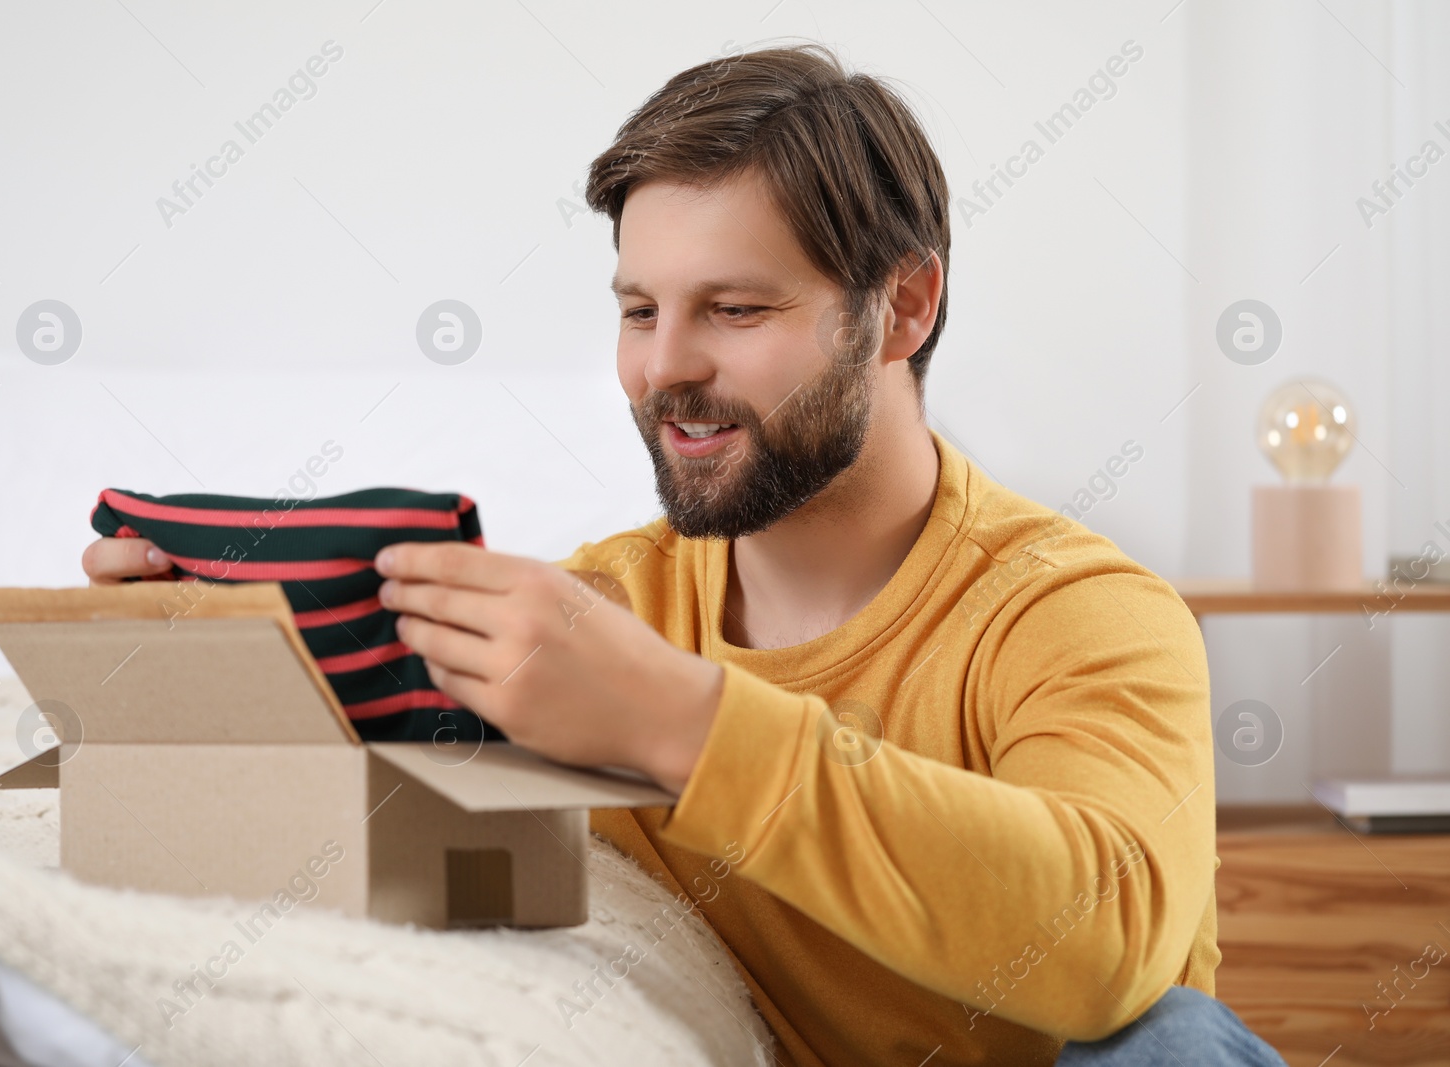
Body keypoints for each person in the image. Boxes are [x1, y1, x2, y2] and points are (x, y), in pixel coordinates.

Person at [85, 42, 1285, 1067]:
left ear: (903, 308)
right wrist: (198, 668)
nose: (664, 368)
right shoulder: (605, 610)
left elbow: (1101, 945)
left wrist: (682, 723)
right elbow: (345, 853)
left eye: (737, 309)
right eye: (638, 309)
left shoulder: (1078, 610)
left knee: (1167, 1039)